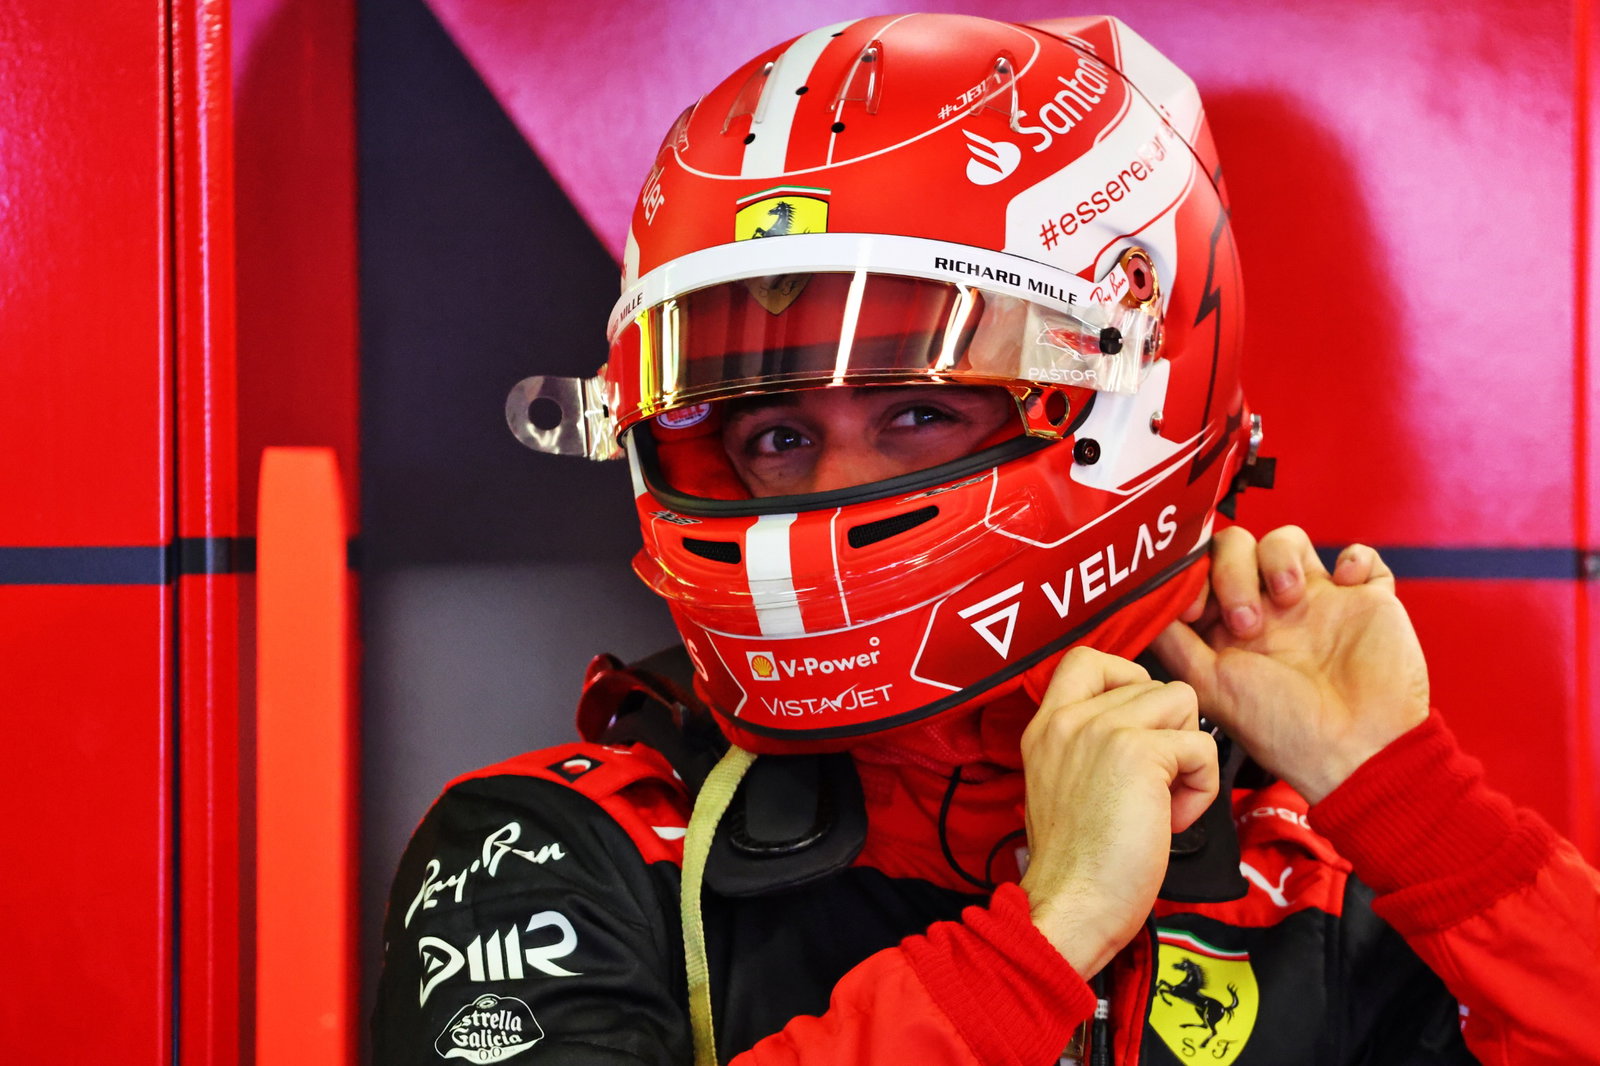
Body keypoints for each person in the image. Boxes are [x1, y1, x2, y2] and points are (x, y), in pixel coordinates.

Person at [374, 13, 1598, 1064]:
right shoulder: (553, 849)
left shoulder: (1329, 868)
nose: (825, 492)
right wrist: (1039, 940)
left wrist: (1420, 809)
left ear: (1131, 407)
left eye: (915, 413)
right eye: (776, 438)